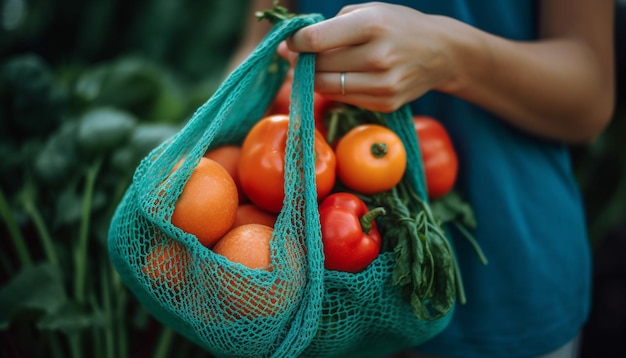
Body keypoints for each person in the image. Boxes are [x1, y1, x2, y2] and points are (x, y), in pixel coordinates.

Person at [230, 0, 616, 357]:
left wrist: (452, 55)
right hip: (308, 293)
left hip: (504, 275)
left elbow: (592, 93)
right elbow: (261, 40)